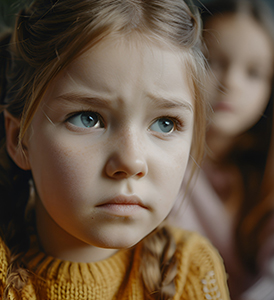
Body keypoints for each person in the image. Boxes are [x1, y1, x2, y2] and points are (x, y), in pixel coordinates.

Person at [0, 0, 231, 299]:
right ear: (20, 140)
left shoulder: (192, 270)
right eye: (89, 118)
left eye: (165, 123)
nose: (131, 160)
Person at [170, 0, 274, 299]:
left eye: (254, 73)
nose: (231, 83)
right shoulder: (160, 144)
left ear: (273, 86)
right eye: (213, 61)